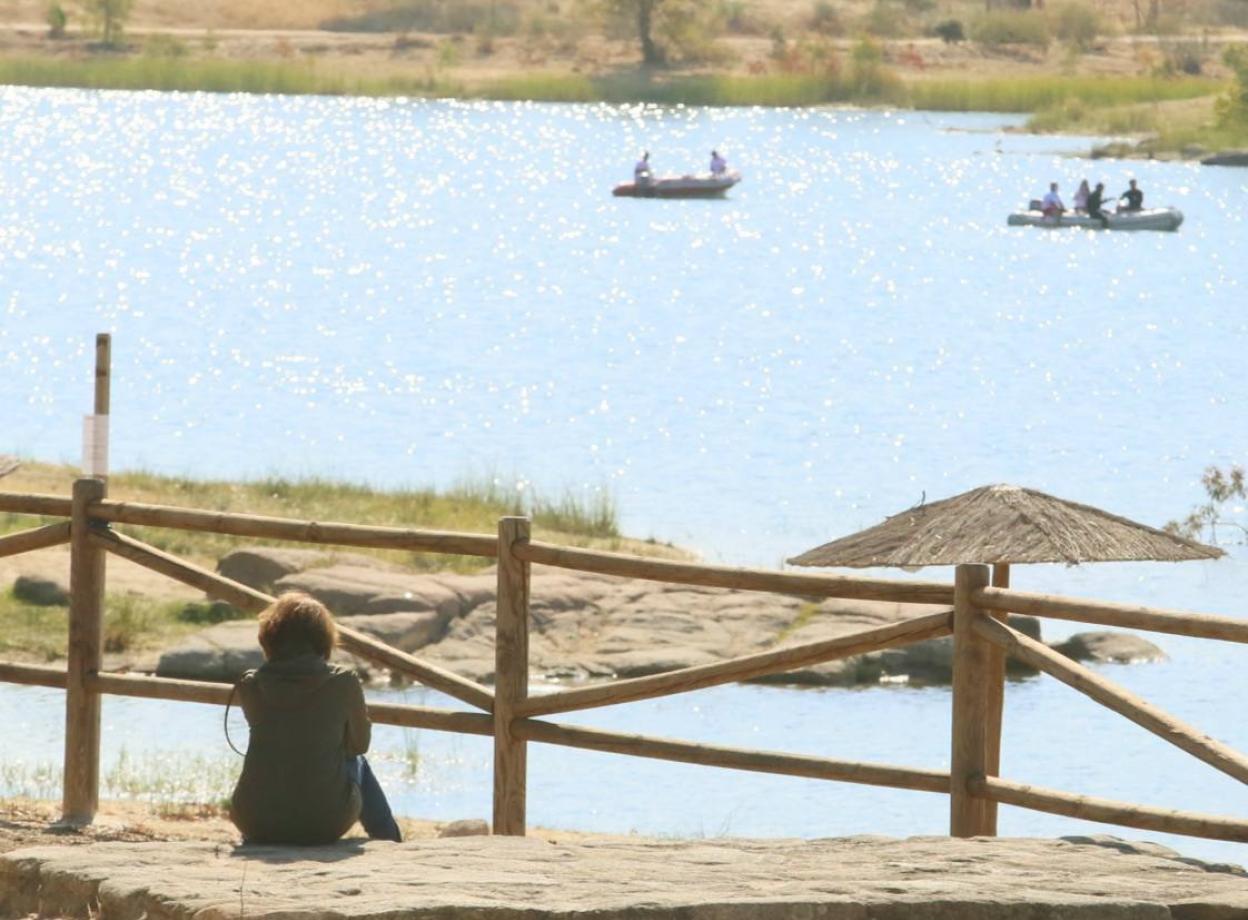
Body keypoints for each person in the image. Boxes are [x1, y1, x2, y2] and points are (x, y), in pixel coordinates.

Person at [230, 592, 402, 845]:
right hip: (324, 822)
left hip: (254, 821)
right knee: (358, 760)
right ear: (323, 640)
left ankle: (271, 824)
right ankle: (389, 839)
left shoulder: (250, 684)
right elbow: (358, 745)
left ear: (269, 639)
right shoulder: (343, 682)